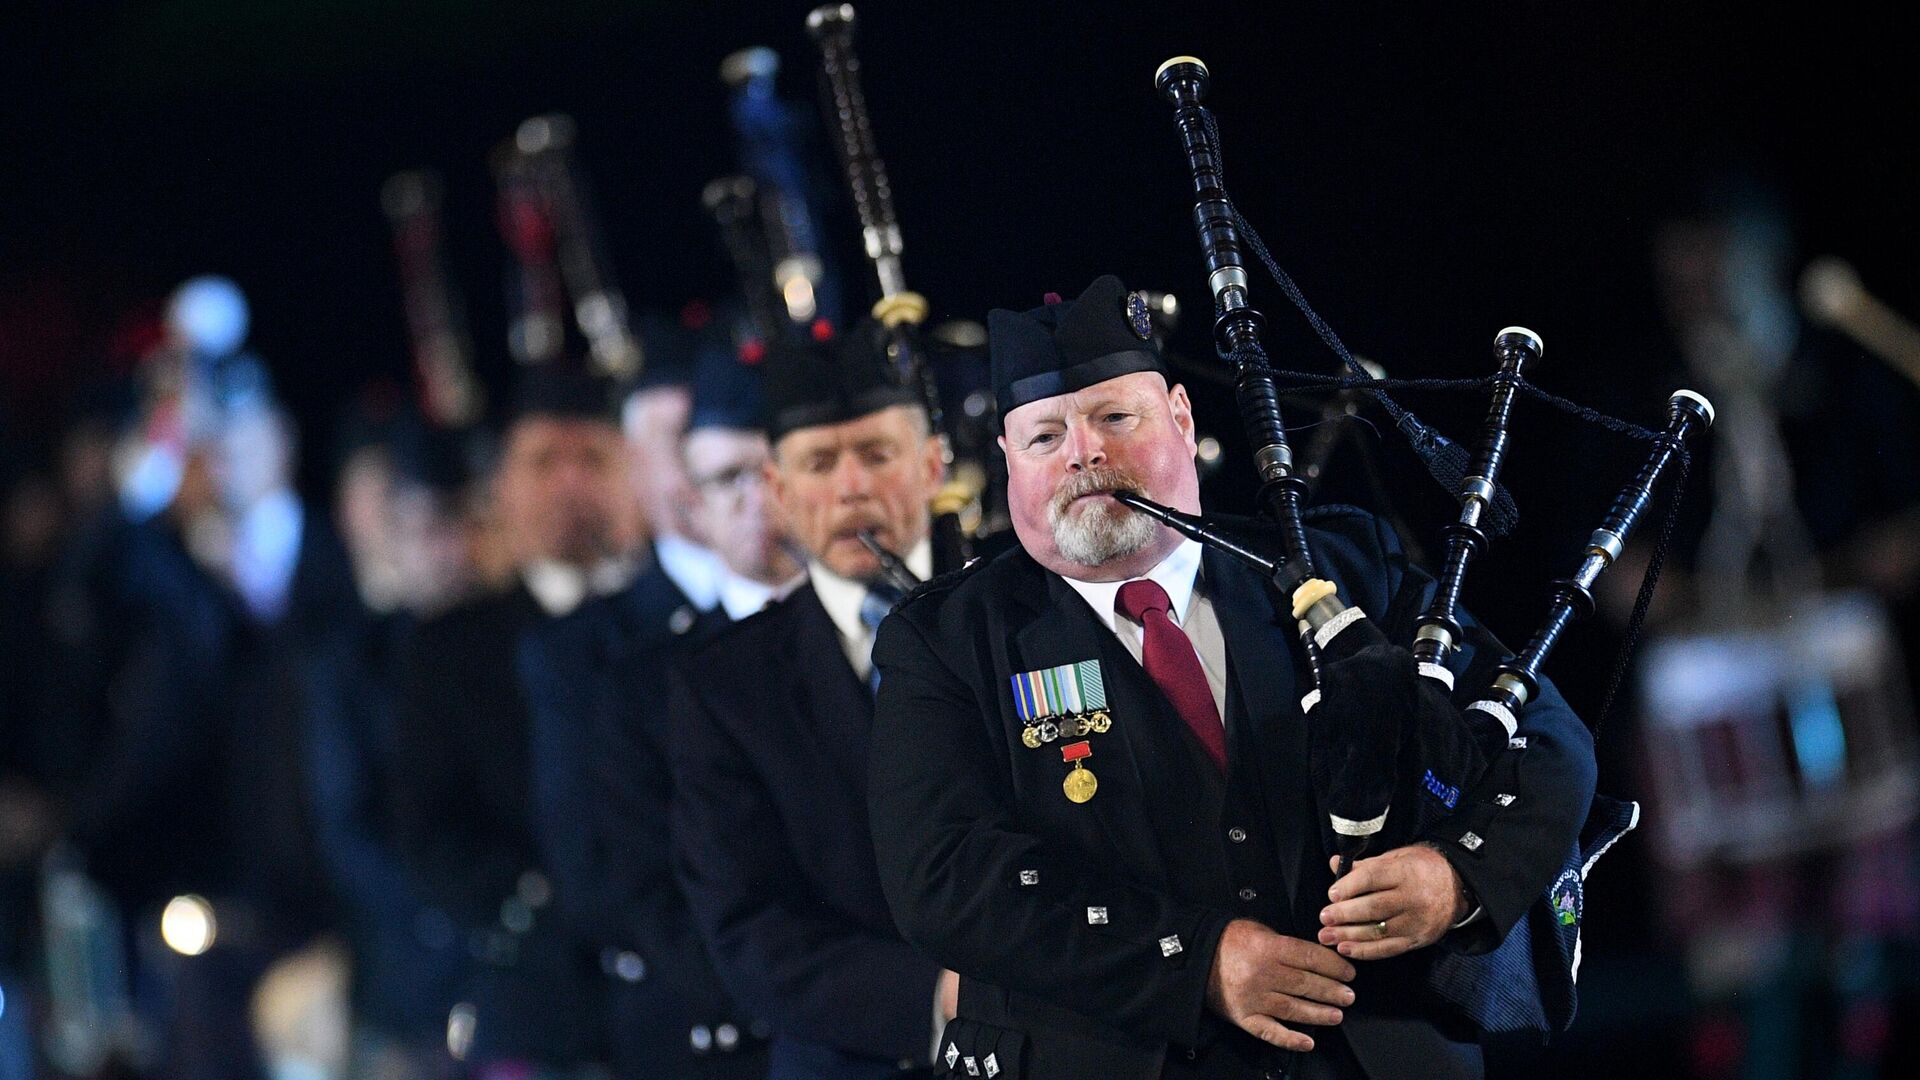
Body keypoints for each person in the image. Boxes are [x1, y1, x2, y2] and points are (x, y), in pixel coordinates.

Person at [867, 275, 1597, 1080]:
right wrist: (1195, 960)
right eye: (1045, 437)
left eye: (1116, 416)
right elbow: (943, 877)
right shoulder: (944, 641)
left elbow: (1543, 735)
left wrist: (1457, 876)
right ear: (1008, 460)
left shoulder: (1344, 564)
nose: (1085, 452)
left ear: (1181, 416)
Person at [668, 321, 960, 1079]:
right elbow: (747, 925)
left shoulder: (1028, 618)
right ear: (778, 490)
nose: (852, 486)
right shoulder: (725, 686)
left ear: (933, 464)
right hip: (855, 1057)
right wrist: (938, 998)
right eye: (820, 462)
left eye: (877, 454)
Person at [515, 341, 799, 1077]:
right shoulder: (608, 659)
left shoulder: (857, 615)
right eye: (673, 443)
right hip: (712, 1021)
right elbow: (611, 874)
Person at [391, 366, 642, 1077]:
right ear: (499, 488)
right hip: (538, 1004)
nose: (569, 482)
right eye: (542, 462)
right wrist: (542, 903)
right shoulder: (451, 647)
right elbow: (428, 830)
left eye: (591, 458)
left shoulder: (678, 623)